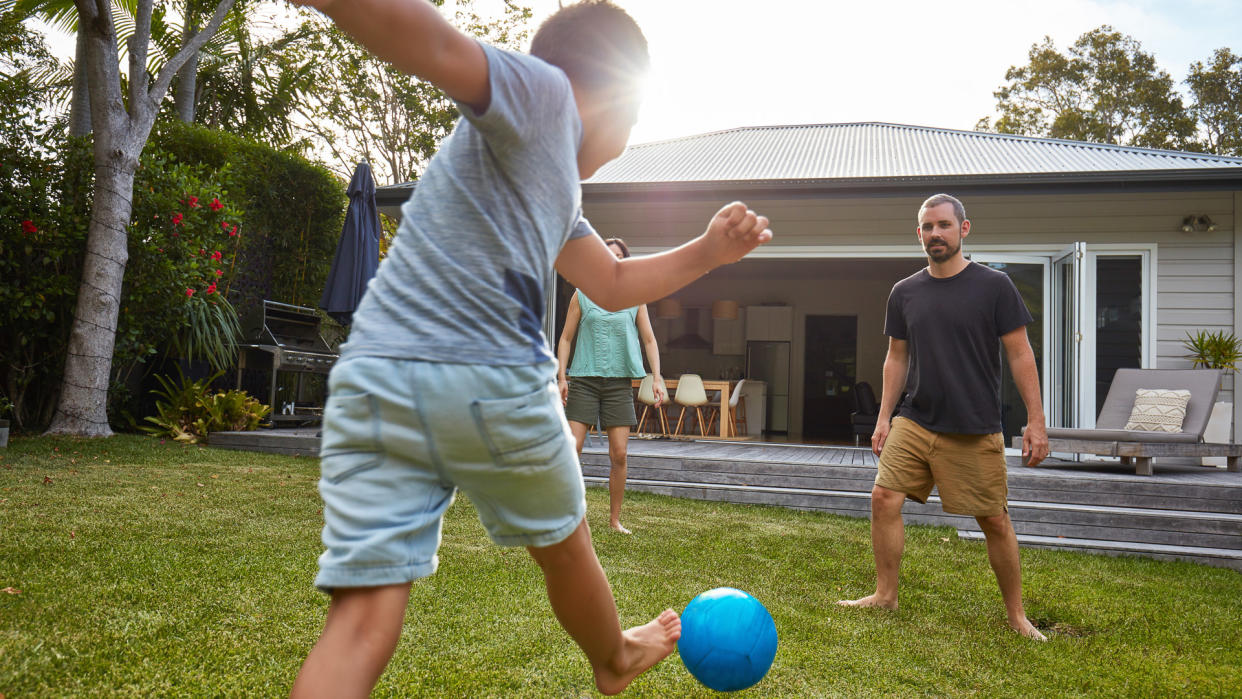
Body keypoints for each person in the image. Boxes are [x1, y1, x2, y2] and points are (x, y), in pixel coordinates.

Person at [286, 1, 774, 696]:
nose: (627, 138)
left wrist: (706, 251)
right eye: (632, 118)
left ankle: (613, 654)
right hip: (488, 375)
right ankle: (612, 656)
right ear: (606, 86)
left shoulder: (553, 186)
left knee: (362, 621)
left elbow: (608, 282)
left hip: (378, 379)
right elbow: (428, 40)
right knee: (565, 540)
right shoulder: (544, 92)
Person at [837, 193, 1050, 642]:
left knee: (993, 519)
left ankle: (1016, 615)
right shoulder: (905, 292)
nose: (935, 233)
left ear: (963, 230)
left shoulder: (995, 286)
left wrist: (1036, 420)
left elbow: (1020, 353)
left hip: (974, 426)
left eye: (944, 225)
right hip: (916, 419)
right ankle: (885, 594)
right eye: (927, 227)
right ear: (919, 234)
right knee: (883, 499)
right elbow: (895, 358)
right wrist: (883, 418)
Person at [557, 237, 665, 535]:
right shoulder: (582, 294)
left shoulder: (636, 297)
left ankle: (615, 520)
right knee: (572, 449)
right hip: (585, 382)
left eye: (618, 256)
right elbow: (566, 338)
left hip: (618, 385)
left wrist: (656, 376)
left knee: (619, 454)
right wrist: (562, 377)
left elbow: (649, 339)